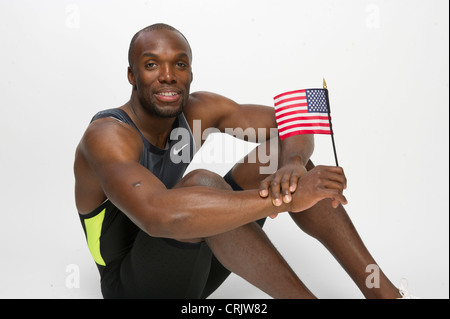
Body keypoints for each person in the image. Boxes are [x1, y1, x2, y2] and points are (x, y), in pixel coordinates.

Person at [73, 23, 407, 299]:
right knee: (204, 183)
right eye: (151, 65)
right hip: (132, 286)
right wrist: (286, 198)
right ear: (132, 76)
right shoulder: (107, 136)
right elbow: (160, 217)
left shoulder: (199, 110)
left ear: (190, 72)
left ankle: (384, 294)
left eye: (179, 64)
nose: (168, 75)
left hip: (191, 265)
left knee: (278, 158)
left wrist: (291, 164)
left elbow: (294, 121)